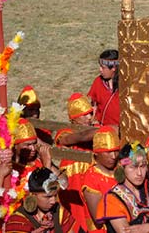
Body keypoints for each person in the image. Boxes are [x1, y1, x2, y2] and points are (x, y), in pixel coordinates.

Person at [96, 142, 149, 233]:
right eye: (133, 167)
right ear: (122, 168)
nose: (139, 173)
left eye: (143, 166)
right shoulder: (113, 199)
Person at [56, 93, 99, 229]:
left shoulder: (96, 128)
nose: (89, 118)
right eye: (85, 115)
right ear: (74, 119)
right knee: (76, 219)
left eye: (90, 113)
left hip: (92, 181)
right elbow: (74, 138)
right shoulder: (65, 132)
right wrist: (101, 131)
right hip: (73, 184)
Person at [5, 167, 82, 233]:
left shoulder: (60, 212)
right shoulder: (18, 220)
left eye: (55, 195)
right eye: (48, 197)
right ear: (33, 195)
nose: (53, 201)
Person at [81, 127, 120, 232]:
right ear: (96, 153)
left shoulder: (120, 168)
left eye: (116, 151)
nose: (113, 156)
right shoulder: (91, 178)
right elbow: (99, 218)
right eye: (108, 152)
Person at [88, 49, 120, 127]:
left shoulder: (125, 86)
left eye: (103, 67)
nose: (100, 70)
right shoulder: (98, 81)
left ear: (114, 68)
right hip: (102, 129)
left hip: (120, 130)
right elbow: (93, 105)